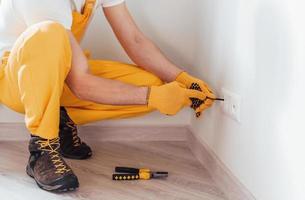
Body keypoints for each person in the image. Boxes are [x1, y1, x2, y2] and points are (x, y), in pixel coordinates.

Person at [0, 0, 215, 192]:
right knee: (48, 33)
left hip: (59, 73)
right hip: (15, 81)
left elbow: (135, 40)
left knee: (155, 83)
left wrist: (182, 79)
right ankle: (42, 150)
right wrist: (153, 97)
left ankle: (59, 120)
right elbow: (80, 83)